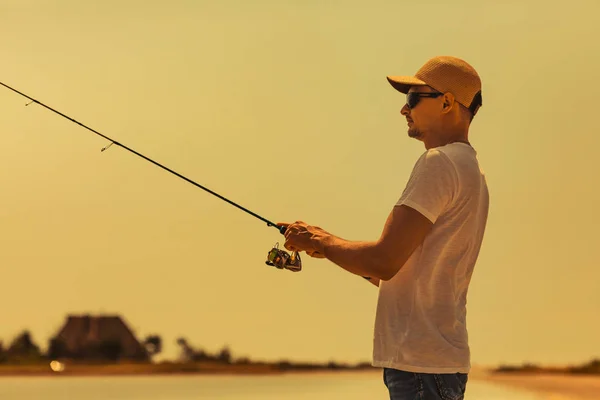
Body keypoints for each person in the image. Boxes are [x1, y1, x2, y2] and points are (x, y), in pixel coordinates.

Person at [278, 55, 489, 400]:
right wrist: (329, 248)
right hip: (436, 366)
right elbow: (394, 270)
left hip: (420, 368)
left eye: (412, 98)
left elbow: (383, 262)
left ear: (448, 101)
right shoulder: (471, 172)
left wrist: (320, 239)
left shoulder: (438, 163)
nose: (404, 110)